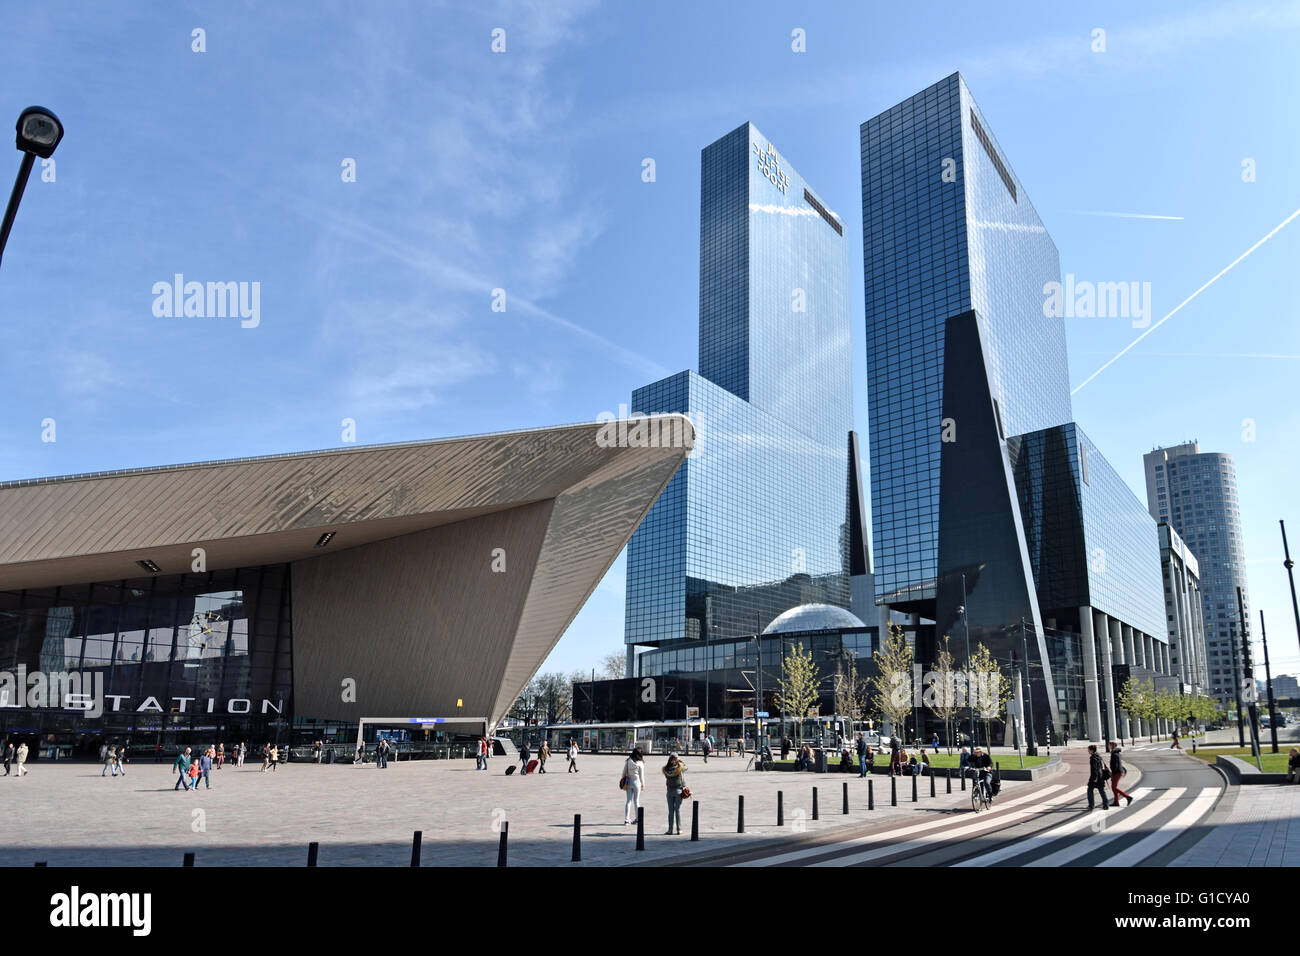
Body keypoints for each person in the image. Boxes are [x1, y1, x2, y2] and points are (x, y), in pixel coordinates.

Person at [663, 753, 687, 834]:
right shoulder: (680, 767)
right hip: (678, 790)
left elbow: (667, 776)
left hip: (669, 791)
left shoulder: (666, 769)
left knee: (670, 811)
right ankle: (679, 829)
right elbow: (686, 767)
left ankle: (670, 830)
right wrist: (679, 760)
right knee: (678, 810)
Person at [623, 748, 645, 825]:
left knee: (628, 801)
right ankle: (637, 818)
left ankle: (626, 819)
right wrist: (643, 784)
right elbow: (642, 776)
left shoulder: (628, 761)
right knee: (636, 801)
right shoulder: (640, 763)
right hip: (637, 783)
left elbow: (623, 772)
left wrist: (623, 781)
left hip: (629, 783)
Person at [1107, 741, 1133, 806]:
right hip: (1117, 772)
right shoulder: (1115, 753)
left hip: (1116, 772)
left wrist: (1113, 772)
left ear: (1112, 746)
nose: (1108, 746)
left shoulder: (1114, 754)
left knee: (1114, 787)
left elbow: (1115, 764)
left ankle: (1127, 797)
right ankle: (1116, 802)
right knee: (1114, 787)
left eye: (1109, 745)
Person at [1086, 744, 1111, 810]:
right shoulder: (1098, 756)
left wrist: (1094, 778)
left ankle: (1091, 805)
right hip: (1101, 776)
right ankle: (1106, 805)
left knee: (1090, 790)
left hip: (1095, 777)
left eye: (1088, 750)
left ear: (1091, 750)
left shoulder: (1093, 758)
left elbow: (1094, 769)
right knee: (1101, 791)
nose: (1088, 751)